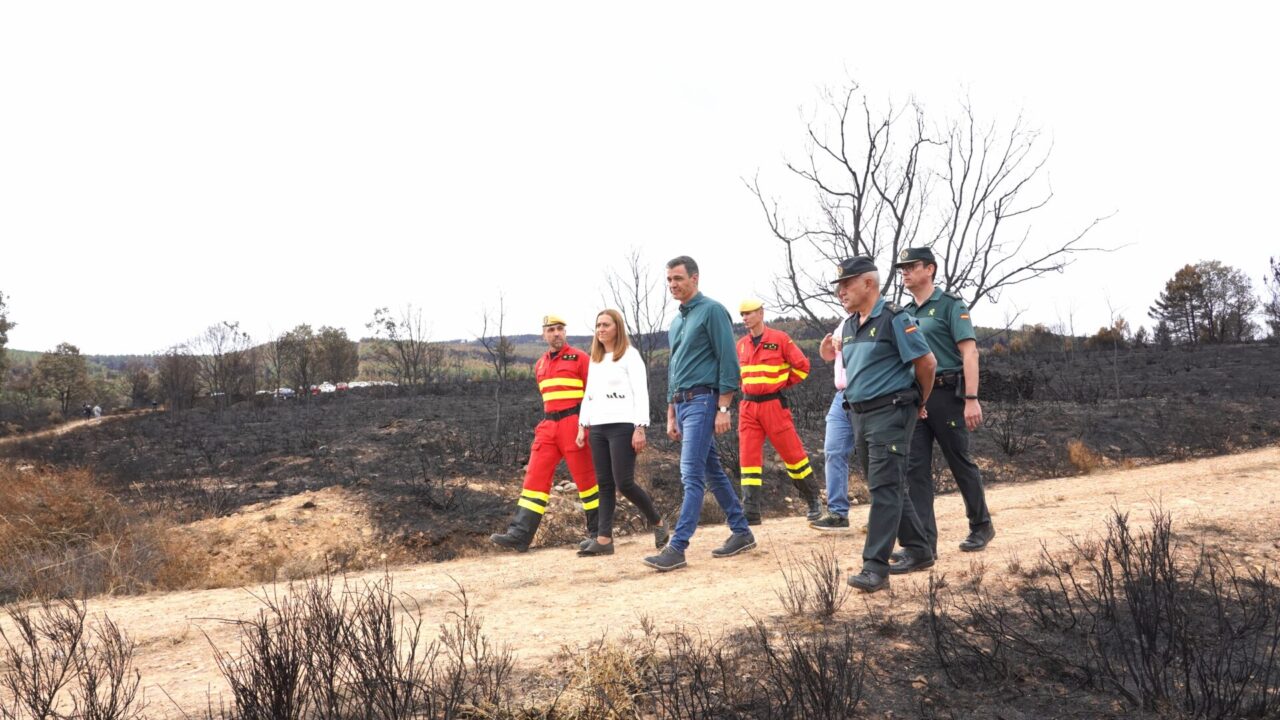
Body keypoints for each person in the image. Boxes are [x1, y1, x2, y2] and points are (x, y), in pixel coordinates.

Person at [643, 256, 755, 572]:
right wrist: (669, 412)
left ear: (695, 278)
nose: (673, 285)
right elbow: (674, 369)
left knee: (690, 473)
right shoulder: (677, 321)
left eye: (678, 278)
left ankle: (677, 547)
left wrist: (723, 407)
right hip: (682, 403)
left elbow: (729, 362)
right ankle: (742, 531)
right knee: (711, 471)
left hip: (705, 401)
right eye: (669, 280)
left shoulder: (713, 311)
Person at [832, 256, 936, 593]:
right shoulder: (849, 326)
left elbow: (927, 363)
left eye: (846, 284)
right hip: (859, 415)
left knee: (883, 489)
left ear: (868, 284)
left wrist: (918, 401)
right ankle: (919, 549)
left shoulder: (894, 319)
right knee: (886, 483)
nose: (840, 292)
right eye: (838, 286)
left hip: (891, 412)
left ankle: (874, 567)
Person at [890, 247, 995, 566]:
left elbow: (970, 353)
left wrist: (972, 398)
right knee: (916, 470)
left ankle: (981, 525)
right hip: (917, 398)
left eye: (912, 266)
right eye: (902, 268)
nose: (905, 272)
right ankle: (923, 545)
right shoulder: (904, 313)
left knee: (960, 462)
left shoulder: (950, 305)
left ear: (930, 269)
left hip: (949, 395)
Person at [489, 315, 601, 552]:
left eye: (560, 329)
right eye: (551, 330)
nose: (556, 333)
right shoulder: (540, 365)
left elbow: (594, 395)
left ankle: (599, 535)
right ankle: (519, 535)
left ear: (565, 332)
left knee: (587, 480)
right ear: (543, 335)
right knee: (534, 478)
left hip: (574, 423)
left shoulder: (581, 358)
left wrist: (587, 425)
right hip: (548, 426)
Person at [574, 309, 668, 556]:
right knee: (604, 483)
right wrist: (583, 425)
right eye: (598, 325)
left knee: (624, 482)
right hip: (598, 427)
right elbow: (589, 395)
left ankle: (658, 522)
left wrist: (640, 427)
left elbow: (641, 392)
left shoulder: (630, 356)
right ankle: (604, 539)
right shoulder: (595, 360)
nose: (601, 329)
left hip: (623, 426)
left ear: (617, 327)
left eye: (606, 325)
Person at [735, 299, 822, 524]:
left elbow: (803, 367)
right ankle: (751, 510)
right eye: (742, 314)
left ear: (761, 313)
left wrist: (782, 383)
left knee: (793, 455)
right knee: (748, 457)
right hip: (748, 406)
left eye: (749, 313)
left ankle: (813, 499)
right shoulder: (741, 344)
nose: (745, 318)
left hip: (773, 405)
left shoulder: (780, 339)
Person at [809, 310, 857, 531]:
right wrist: (826, 346)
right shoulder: (844, 323)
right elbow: (829, 355)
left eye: (847, 288)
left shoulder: (882, 319)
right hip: (842, 396)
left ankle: (886, 513)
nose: (843, 295)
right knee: (833, 451)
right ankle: (837, 514)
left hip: (867, 394)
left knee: (875, 456)